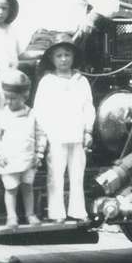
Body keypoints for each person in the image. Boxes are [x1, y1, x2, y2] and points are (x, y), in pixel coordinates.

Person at [32, 34, 96, 223]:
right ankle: (56, 212)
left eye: (67, 55)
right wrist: (42, 135)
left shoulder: (81, 81)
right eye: (59, 55)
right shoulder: (47, 82)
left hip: (77, 135)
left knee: (77, 174)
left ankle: (77, 211)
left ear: (73, 57)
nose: (63, 59)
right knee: (55, 175)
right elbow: (40, 110)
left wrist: (88, 131)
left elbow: (88, 107)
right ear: (52, 59)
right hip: (56, 136)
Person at [0, 69, 45, 229]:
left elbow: (40, 135)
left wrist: (39, 153)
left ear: (24, 97)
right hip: (9, 160)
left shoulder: (32, 114)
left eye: (13, 98)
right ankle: (11, 217)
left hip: (28, 159)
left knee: (27, 187)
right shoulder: (3, 115)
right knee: (11, 189)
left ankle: (30, 214)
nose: (9, 101)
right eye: (6, 98)